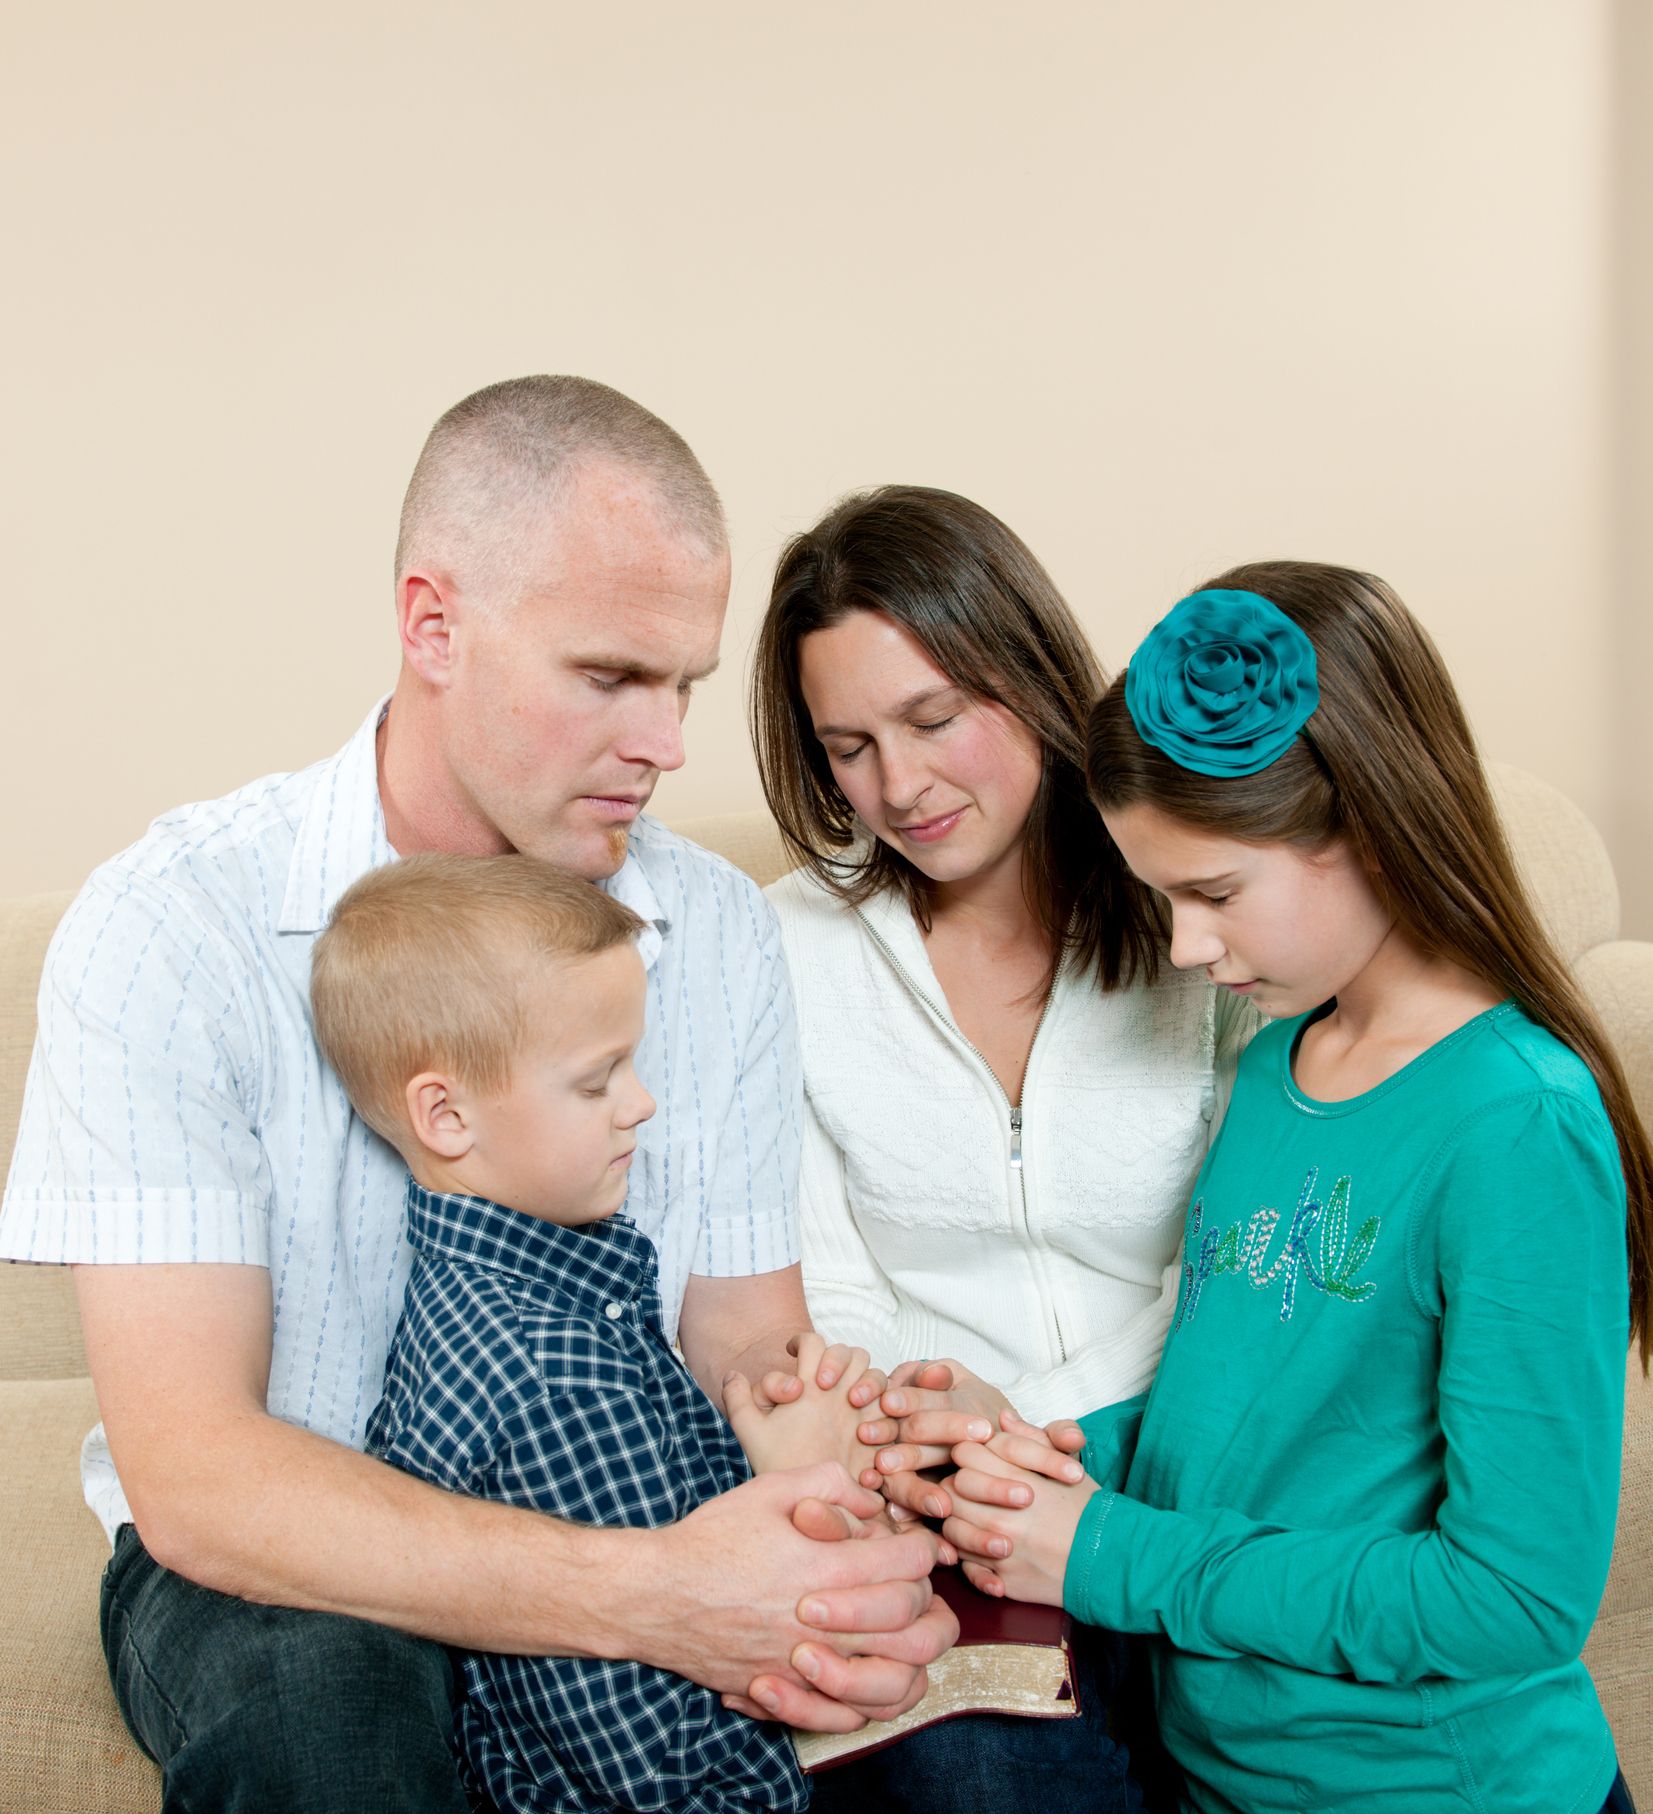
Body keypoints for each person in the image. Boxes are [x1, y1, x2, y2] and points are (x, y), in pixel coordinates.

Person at [0, 377, 953, 1812]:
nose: (666, 743)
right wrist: (659, 1599)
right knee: (334, 1708)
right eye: (609, 676)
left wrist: (831, 1525)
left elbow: (749, 1345)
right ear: (432, 623)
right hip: (283, 1566)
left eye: (683, 684)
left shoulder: (717, 931)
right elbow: (200, 1477)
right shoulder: (170, 926)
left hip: (629, 1492)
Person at [942, 564, 1650, 1814]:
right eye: (1161, 896)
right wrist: (1050, 1458)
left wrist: (1110, 1551)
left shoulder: (1518, 1124)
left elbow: (1515, 1601)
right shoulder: (1277, 1064)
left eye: (1212, 892)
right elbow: (1254, 1413)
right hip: (1228, 1772)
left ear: (1368, 827)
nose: (1183, 948)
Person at [748, 485, 1253, 1809]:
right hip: (940, 1501)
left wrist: (1041, 1427)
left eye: (932, 719)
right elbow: (820, 1271)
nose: (898, 787)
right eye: (847, 744)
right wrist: (934, 1427)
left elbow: (1246, 1239)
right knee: (979, 1778)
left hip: (1182, 1457)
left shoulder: (1195, 904)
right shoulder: (781, 947)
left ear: (1029, 676)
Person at [311, 851, 886, 1812]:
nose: (642, 1103)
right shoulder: (556, 1379)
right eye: (597, 1080)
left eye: (635, 1063)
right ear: (445, 1115)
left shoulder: (525, 1297)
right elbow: (652, 1767)